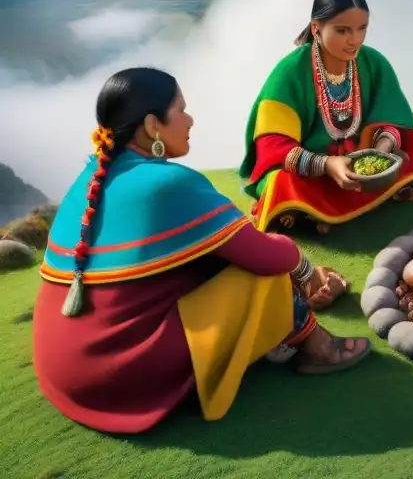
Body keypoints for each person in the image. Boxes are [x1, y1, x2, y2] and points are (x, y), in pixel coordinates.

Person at [34, 68, 371, 435]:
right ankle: (315, 346)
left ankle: (276, 334)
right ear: (152, 125)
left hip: (61, 368)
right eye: (181, 109)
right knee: (264, 274)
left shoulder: (89, 179)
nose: (190, 119)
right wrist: (305, 270)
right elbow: (267, 256)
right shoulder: (167, 184)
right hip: (116, 375)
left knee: (216, 257)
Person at [241, 0, 413, 235]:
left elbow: (391, 117)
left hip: (360, 156)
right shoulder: (289, 73)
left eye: (362, 28)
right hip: (311, 169)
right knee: (280, 183)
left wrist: (382, 148)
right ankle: (316, 209)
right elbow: (272, 146)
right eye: (342, 30)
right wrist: (327, 165)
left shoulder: (373, 62)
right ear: (316, 29)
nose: (354, 40)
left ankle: (317, 214)